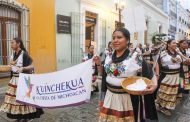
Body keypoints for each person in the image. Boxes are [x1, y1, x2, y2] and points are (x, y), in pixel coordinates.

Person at [94, 28, 158, 122]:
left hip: (128, 99)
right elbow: (104, 74)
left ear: (127, 40)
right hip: (110, 96)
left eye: (119, 37)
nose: (115, 40)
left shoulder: (134, 56)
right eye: (113, 37)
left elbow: (150, 72)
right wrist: (99, 63)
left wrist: (155, 85)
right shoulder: (109, 55)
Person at [0, 38, 44, 122]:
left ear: (18, 43)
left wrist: (23, 68)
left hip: (23, 80)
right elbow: (12, 67)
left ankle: (28, 117)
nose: (11, 44)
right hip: (14, 80)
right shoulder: (13, 55)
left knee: (25, 98)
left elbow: (32, 66)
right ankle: (19, 117)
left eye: (13, 43)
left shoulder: (24, 54)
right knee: (17, 100)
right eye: (11, 43)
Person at [155, 39, 182, 116]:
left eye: (176, 43)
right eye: (173, 43)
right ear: (168, 44)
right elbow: (160, 64)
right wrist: (157, 75)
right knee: (164, 92)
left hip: (177, 75)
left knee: (172, 93)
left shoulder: (178, 53)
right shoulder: (163, 53)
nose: (175, 44)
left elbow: (181, 63)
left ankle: (166, 107)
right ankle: (161, 107)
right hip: (167, 77)